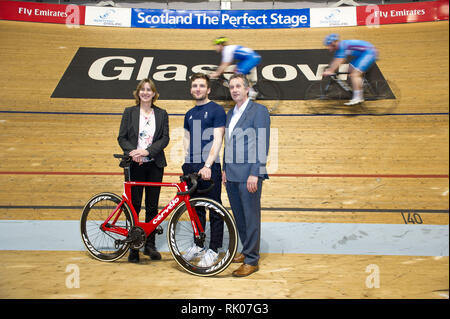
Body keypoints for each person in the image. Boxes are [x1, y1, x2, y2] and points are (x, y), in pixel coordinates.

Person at [222, 74, 270, 277]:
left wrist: (255, 173)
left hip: (249, 174)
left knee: (251, 218)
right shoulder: (230, 113)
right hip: (231, 174)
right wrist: (224, 168)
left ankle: (252, 260)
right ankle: (246, 250)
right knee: (240, 217)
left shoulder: (258, 110)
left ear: (247, 89)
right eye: (232, 87)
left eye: (238, 86)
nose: (234, 90)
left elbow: (262, 143)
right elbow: (228, 143)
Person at [117, 78, 170, 263]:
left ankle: (150, 245)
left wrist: (147, 151)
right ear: (138, 93)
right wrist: (133, 153)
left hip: (154, 164)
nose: (146, 92)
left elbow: (164, 139)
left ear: (154, 94)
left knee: (152, 207)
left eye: (149, 90)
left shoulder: (162, 113)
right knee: (134, 207)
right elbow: (121, 137)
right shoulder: (129, 112)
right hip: (135, 164)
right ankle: (133, 247)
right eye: (143, 89)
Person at [182, 72, 227, 267]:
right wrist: (187, 163)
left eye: (201, 86)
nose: (197, 89)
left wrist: (208, 165)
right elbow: (186, 139)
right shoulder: (189, 114)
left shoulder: (216, 110)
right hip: (191, 167)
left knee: (214, 210)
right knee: (195, 209)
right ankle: (198, 245)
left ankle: (214, 249)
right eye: (195, 86)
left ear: (208, 89)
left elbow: (218, 140)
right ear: (191, 89)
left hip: (210, 168)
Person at [322, 33, 378, 106]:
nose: (328, 48)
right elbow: (336, 61)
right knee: (349, 69)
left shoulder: (342, 46)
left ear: (333, 43)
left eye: (328, 45)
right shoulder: (339, 47)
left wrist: (330, 71)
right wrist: (330, 69)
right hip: (362, 54)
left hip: (369, 53)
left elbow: (340, 60)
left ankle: (358, 97)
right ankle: (359, 86)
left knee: (355, 74)